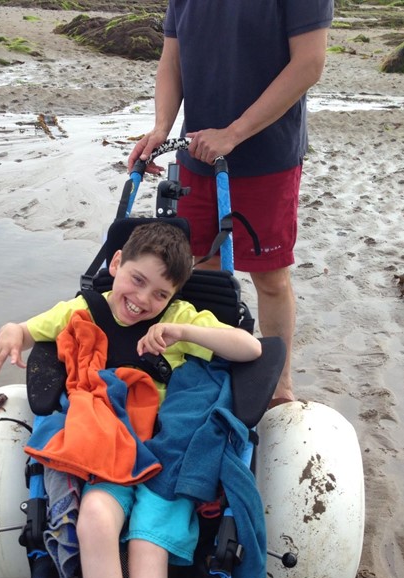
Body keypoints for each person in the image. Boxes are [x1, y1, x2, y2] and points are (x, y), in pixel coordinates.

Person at [0, 222, 261, 578]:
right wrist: (12, 331)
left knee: (146, 546)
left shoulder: (180, 322)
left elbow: (250, 347)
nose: (143, 301)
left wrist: (189, 332)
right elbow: (31, 326)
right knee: (93, 521)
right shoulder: (82, 310)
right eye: (137, 281)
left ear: (174, 298)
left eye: (161, 294)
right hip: (113, 449)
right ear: (115, 265)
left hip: (170, 456)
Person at [127, 1, 334, 405]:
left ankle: (278, 387)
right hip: (196, 155)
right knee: (199, 270)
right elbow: (173, 59)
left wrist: (234, 133)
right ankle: (205, 375)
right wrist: (161, 128)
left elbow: (309, 63)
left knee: (270, 278)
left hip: (266, 159)